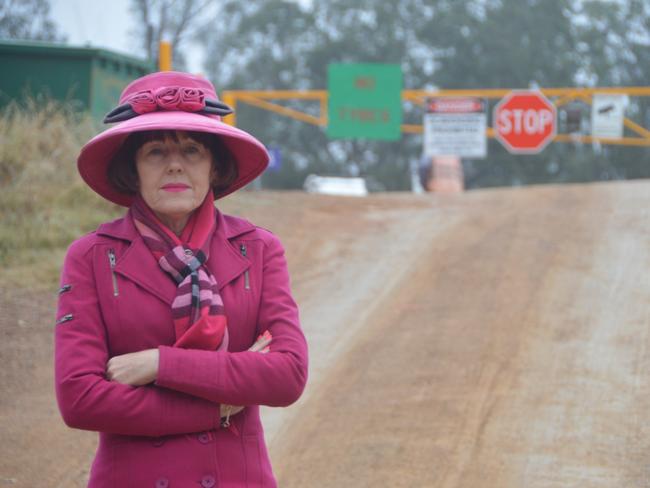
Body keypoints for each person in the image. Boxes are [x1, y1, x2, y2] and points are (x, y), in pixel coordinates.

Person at [54, 71, 308, 487]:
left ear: (214, 165)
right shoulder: (92, 257)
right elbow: (79, 398)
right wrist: (217, 406)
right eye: (155, 151)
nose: (174, 163)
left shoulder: (257, 250)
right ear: (132, 169)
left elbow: (288, 375)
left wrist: (159, 364)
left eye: (192, 149)